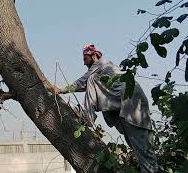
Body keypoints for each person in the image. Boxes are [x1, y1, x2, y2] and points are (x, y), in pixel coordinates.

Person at [55, 44, 158, 173]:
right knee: (141, 151)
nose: (84, 63)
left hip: (132, 107)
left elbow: (83, 82)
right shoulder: (107, 70)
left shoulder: (101, 65)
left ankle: (87, 116)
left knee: (144, 153)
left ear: (94, 55)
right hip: (129, 107)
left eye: (85, 59)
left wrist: (61, 90)